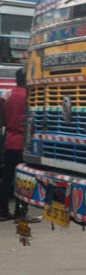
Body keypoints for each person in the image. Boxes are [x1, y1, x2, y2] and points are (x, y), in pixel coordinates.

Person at [0, 68, 27, 221]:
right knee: (23, 180)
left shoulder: (8, 95)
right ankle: (20, 212)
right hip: (23, 143)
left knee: (7, 178)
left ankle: (3, 210)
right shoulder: (28, 96)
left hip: (9, 141)